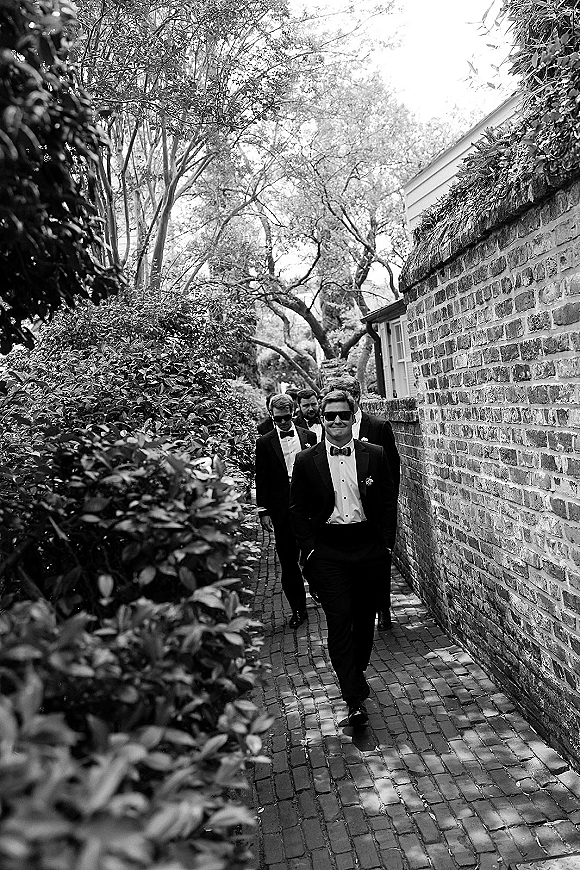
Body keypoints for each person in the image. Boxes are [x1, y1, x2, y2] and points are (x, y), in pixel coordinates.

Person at [290, 390, 398, 727]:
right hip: (328, 550)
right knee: (340, 619)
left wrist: (386, 546)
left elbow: (386, 501)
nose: (337, 421)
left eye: (344, 415)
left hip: (367, 545)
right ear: (321, 419)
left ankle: (356, 671)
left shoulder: (375, 454)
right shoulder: (307, 460)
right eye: (330, 416)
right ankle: (354, 698)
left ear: (354, 417)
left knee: (364, 621)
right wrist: (308, 549)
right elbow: (297, 509)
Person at [325, 375, 400, 631]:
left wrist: (387, 510)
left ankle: (383, 608)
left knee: (380, 565)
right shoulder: (332, 429)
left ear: (356, 398)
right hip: (346, 511)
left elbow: (392, 469)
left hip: (374, 510)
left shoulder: (378, 427)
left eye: (348, 398)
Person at [255, 393, 316, 628]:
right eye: (278, 419)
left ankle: (318, 585)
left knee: (314, 554)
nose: (282, 423)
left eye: (286, 418)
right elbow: (261, 477)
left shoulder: (308, 436)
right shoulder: (264, 442)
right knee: (288, 563)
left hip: (308, 508)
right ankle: (298, 610)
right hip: (281, 511)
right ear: (272, 416)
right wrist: (263, 511)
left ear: (293, 414)